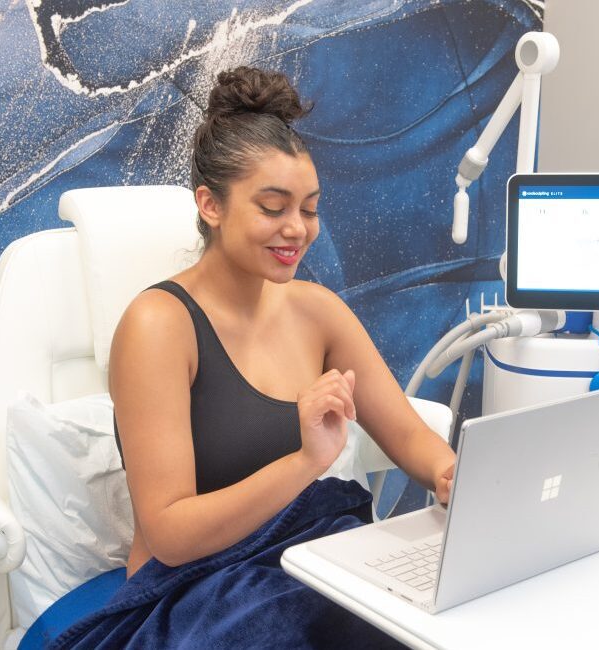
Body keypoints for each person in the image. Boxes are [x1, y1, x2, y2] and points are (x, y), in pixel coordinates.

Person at [104, 66, 456, 642]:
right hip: (194, 589)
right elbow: (169, 533)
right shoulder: (158, 325)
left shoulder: (318, 311)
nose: (297, 229)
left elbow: (411, 437)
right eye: (273, 207)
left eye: (310, 209)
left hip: (308, 561)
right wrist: (303, 462)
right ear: (210, 206)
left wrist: (452, 475)